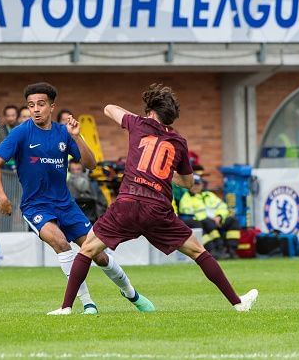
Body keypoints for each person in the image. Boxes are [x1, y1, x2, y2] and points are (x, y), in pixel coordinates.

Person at [48, 83, 258, 315]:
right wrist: (168, 173)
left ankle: (66, 307)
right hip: (157, 209)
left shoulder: (138, 124)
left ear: (150, 111)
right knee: (199, 252)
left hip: (128, 203)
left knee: (87, 250)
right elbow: (188, 184)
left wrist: (138, 118)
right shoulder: (178, 142)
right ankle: (237, 303)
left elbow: (109, 108)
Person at [0, 82, 153, 315]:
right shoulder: (21, 133)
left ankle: (132, 294)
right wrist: (2, 196)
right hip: (36, 206)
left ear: (52, 106)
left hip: (66, 205)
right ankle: (87, 303)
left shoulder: (64, 132)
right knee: (61, 244)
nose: (35, 109)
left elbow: (90, 164)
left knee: (99, 254)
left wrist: (78, 137)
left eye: (41, 104)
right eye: (31, 105)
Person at [179, 174, 241, 259]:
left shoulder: (209, 195)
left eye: (198, 184)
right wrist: (210, 218)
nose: (195, 186)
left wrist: (219, 217)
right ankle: (214, 250)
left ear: (202, 185)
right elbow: (188, 214)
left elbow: (223, 207)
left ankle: (231, 250)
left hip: (217, 220)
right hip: (202, 222)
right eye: (193, 184)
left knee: (233, 221)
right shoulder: (186, 198)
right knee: (208, 223)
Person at [67, 160, 107, 224]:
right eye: (73, 170)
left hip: (93, 221)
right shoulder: (66, 187)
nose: (76, 173)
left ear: (83, 170)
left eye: (78, 169)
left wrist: (99, 221)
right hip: (74, 222)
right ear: (70, 171)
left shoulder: (93, 185)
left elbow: (103, 203)